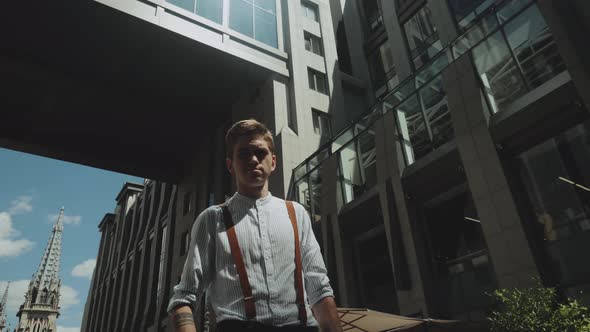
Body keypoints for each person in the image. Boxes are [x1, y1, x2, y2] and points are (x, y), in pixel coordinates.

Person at [168, 119, 342, 332]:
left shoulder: (296, 213)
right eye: (243, 153)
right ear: (230, 165)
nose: (253, 159)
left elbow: (320, 289)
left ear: (273, 161)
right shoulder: (212, 220)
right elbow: (183, 298)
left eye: (260, 153)